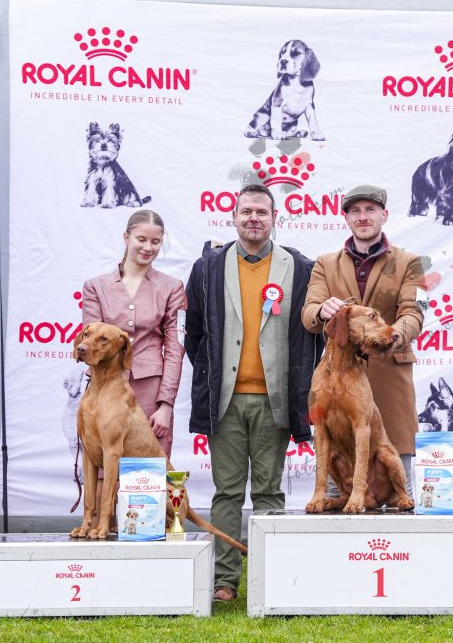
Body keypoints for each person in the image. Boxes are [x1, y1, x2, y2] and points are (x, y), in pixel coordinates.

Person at [185, 184, 321, 603]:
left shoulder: (300, 267)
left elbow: (309, 336)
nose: (254, 218)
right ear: (233, 218)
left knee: (268, 491)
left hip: (274, 401)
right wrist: (212, 375)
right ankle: (224, 580)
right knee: (226, 491)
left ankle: (269, 575)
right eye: (246, 211)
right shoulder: (207, 268)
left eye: (262, 211)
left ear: (275, 218)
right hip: (225, 400)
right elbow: (195, 334)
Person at [301, 184, 424, 489]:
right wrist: (322, 311)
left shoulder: (410, 263)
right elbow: (309, 313)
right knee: (336, 488)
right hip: (336, 381)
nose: (363, 216)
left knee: (399, 488)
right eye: (355, 211)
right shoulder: (324, 263)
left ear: (384, 215)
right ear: (346, 218)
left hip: (390, 382)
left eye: (370, 209)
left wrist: (390, 336)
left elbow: (414, 313)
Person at [82, 209, 186, 458]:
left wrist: (166, 405)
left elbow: (175, 349)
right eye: (142, 239)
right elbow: (91, 344)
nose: (148, 247)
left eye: (155, 241)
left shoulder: (173, 288)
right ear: (126, 237)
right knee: (103, 466)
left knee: (146, 473)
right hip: (103, 387)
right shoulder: (95, 286)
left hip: (150, 392)